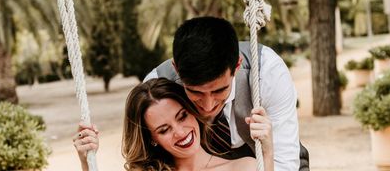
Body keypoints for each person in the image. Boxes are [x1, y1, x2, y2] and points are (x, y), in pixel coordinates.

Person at [144, 17, 309, 171]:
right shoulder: (156, 90)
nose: (208, 106)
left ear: (237, 66)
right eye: (195, 92)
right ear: (176, 69)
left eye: (219, 90)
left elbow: (285, 163)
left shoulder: (267, 71)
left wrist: (266, 156)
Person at [74, 78, 275, 170]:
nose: (180, 132)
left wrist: (267, 151)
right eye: (164, 129)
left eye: (182, 116)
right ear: (152, 138)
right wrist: (86, 161)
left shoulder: (243, 167)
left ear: (193, 112)